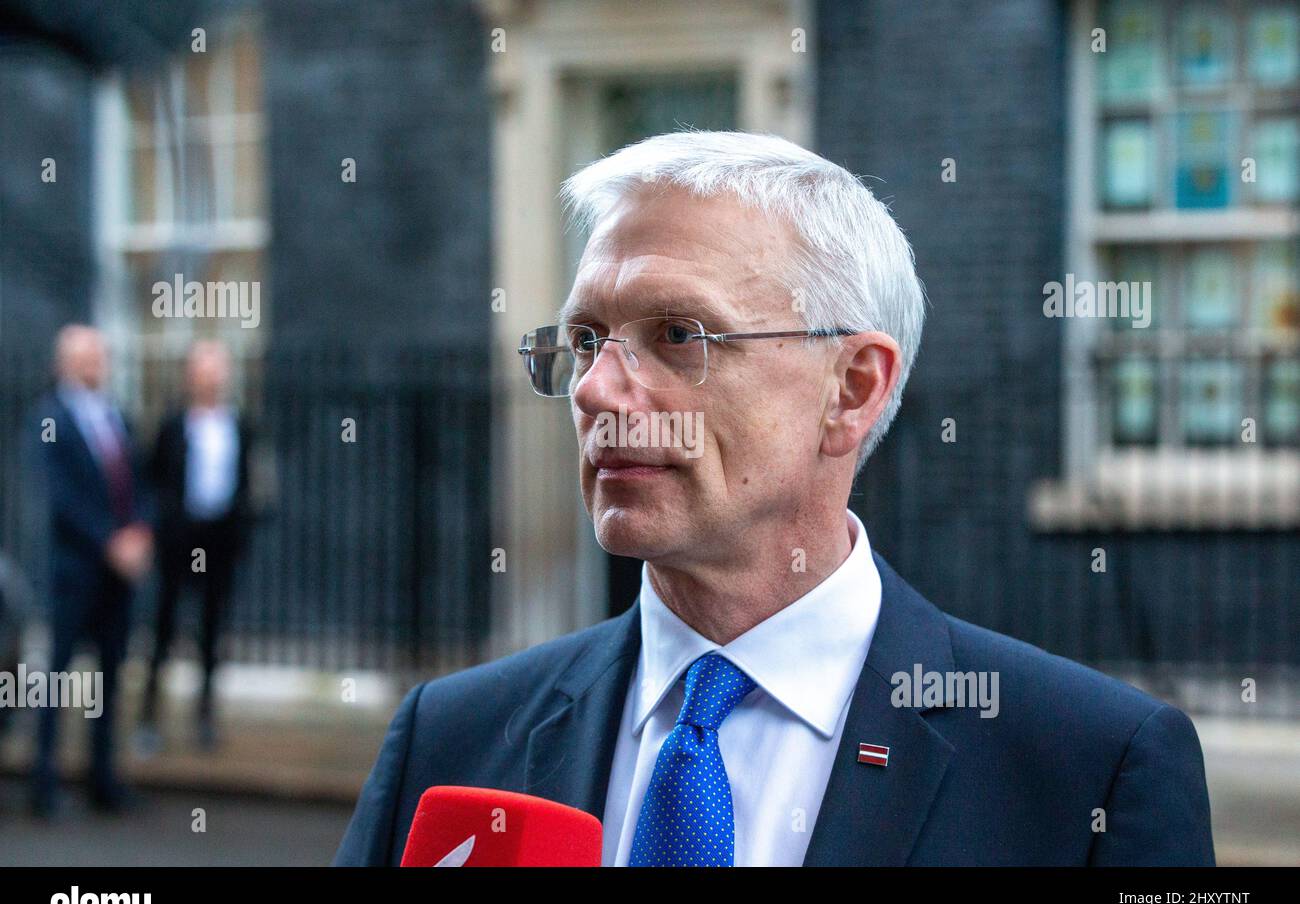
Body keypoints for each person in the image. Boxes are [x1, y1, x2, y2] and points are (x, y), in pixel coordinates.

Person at [334, 132, 1215, 866]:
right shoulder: (449, 741)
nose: (598, 389)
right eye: (585, 339)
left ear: (853, 388)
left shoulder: (1091, 768)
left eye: (678, 334)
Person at [32, 324, 152, 818]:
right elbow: (60, 498)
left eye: (99, 356)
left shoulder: (115, 416)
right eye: (85, 357)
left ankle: (102, 778)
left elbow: (139, 483)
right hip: (74, 571)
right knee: (57, 676)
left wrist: (141, 531)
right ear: (64, 362)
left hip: (117, 575)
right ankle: (44, 782)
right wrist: (109, 542)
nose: (94, 364)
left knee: (109, 677)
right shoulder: (49, 419)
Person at [138, 339, 252, 753]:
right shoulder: (173, 424)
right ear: (190, 377)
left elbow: (247, 481)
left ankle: (204, 717)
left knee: (212, 630)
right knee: (164, 629)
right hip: (179, 542)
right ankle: (149, 717)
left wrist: (239, 528)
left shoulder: (238, 424)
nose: (211, 379)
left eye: (217, 370)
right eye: (203, 371)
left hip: (218, 539)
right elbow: (153, 479)